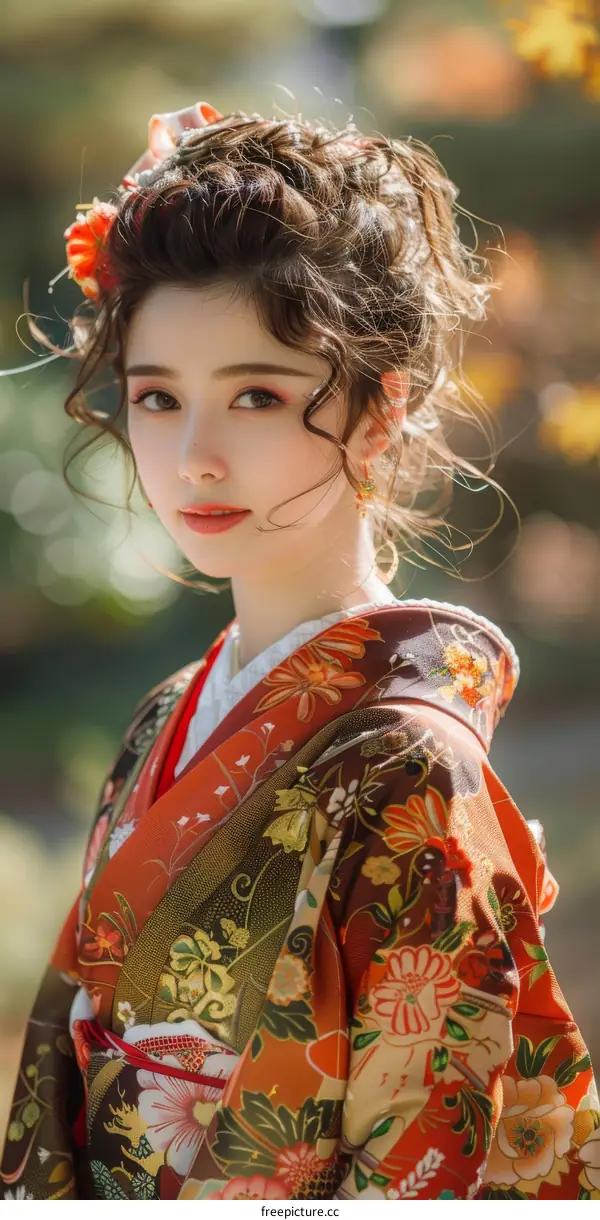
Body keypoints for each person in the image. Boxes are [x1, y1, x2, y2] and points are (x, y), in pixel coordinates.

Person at [1, 101, 597, 1203]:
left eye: (257, 396)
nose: (195, 456)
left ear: (378, 412)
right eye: (158, 397)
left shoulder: (414, 765)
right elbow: (65, 1060)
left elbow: (425, 1161)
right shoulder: (168, 712)